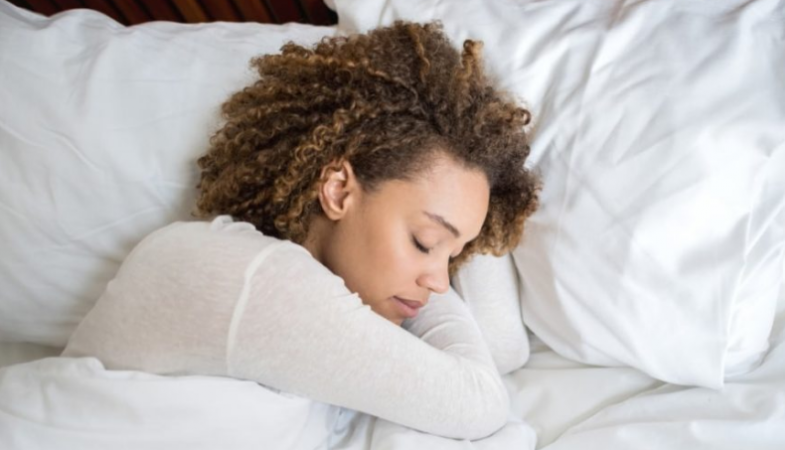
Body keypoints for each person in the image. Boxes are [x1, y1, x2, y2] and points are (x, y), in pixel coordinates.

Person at [62, 21, 541, 440]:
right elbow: (476, 402)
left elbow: (502, 349)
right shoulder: (253, 278)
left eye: (454, 258)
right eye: (424, 242)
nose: (439, 282)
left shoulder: (327, 295)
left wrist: (462, 213)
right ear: (338, 190)